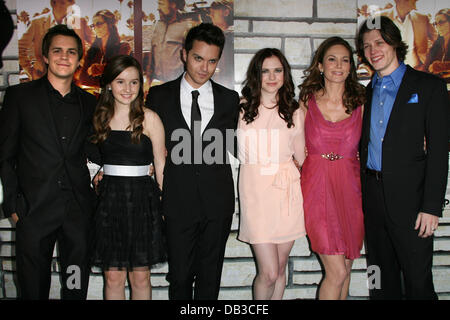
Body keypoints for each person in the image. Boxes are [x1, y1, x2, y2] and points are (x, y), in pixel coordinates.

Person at [0, 24, 98, 300]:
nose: (64, 57)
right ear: (45, 56)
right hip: (34, 210)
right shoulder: (20, 97)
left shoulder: (90, 103)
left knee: (75, 284)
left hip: (78, 213)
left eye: (71, 52)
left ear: (79, 60)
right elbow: (4, 156)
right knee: (32, 289)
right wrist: (13, 205)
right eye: (57, 51)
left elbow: (97, 149)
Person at [145, 23, 240, 300]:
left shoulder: (230, 100)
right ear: (185, 54)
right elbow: (145, 141)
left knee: (210, 280)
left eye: (212, 61)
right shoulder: (159, 96)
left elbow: (240, 146)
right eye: (198, 58)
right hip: (176, 201)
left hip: (218, 202)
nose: (204, 67)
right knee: (180, 278)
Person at [356, 16, 449, 299]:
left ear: (395, 42)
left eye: (379, 42)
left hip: (412, 203)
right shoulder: (365, 92)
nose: (373, 50)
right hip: (372, 198)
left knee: (418, 282)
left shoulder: (429, 86)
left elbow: (439, 150)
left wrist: (432, 207)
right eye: (367, 46)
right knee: (380, 280)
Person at [90, 55, 167, 300]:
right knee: (113, 276)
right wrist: (95, 175)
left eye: (134, 82)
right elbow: (87, 157)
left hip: (143, 201)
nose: (127, 89)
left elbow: (161, 165)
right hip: (109, 201)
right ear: (109, 84)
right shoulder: (98, 118)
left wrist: (167, 205)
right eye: (121, 81)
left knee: (140, 275)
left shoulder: (150, 118)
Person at [298, 37, 366, 300]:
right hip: (316, 187)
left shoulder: (362, 102)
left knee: (346, 268)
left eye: (345, 59)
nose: (339, 65)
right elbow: (290, 139)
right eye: (332, 59)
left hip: (351, 190)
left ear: (351, 66)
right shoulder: (306, 101)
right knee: (335, 272)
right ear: (320, 65)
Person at [237, 48, 306, 300]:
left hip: (286, 192)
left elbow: (302, 158)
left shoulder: (295, 111)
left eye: (277, 70)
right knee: (267, 272)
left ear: (285, 74)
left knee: (279, 267)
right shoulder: (241, 109)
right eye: (265, 71)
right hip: (255, 193)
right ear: (257, 75)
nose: (272, 76)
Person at [18, 0, 94, 81]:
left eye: (70, 3)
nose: (68, 6)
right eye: (63, 3)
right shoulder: (37, 23)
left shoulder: (80, 21)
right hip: (44, 77)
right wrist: (30, 70)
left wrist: (84, 65)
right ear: (53, 3)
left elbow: (97, 44)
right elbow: (20, 47)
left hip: (73, 78)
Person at [144, 0, 198, 85]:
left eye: (161, 4)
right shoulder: (157, 26)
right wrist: (148, 81)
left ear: (173, 4)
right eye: (158, 4)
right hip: (158, 83)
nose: (158, 8)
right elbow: (152, 57)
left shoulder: (187, 26)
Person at [76, 10, 131, 92]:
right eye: (93, 25)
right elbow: (83, 79)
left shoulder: (123, 47)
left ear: (110, 24)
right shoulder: (92, 51)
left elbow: (116, 70)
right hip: (96, 98)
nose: (95, 28)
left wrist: (95, 69)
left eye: (98, 24)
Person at [380, 0, 437, 70]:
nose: (416, 1)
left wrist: (429, 59)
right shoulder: (380, 17)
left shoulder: (422, 18)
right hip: (389, 71)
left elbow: (437, 39)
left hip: (416, 70)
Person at [208, 0, 234, 89]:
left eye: (213, 13)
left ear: (226, 12)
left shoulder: (231, 34)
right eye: (210, 13)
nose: (211, 16)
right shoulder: (211, 35)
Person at [425, 9, 450, 79]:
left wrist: (440, 66)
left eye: (441, 22)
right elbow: (426, 68)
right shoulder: (437, 44)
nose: (438, 27)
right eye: (435, 24)